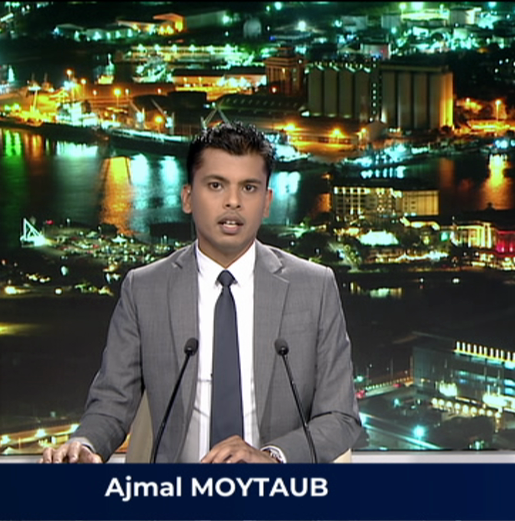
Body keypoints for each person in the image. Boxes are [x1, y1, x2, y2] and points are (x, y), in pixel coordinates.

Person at [40, 121, 360, 464]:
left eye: (249, 187)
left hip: (278, 491)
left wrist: (272, 457)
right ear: (188, 198)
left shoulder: (313, 287)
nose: (233, 201)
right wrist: (86, 444)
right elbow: (112, 403)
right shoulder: (144, 289)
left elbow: (340, 417)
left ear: (266, 202)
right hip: (175, 493)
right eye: (216, 185)